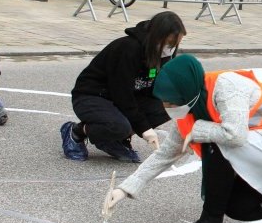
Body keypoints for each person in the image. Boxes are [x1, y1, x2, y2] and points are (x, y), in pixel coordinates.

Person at [100, 55, 262, 223]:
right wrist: (123, 189)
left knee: (214, 139)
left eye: (171, 102)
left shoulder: (226, 86)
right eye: (164, 103)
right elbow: (166, 153)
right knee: (237, 206)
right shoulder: (190, 104)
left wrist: (199, 130)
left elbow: (235, 135)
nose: (167, 108)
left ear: (185, 91)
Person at [60, 12, 185, 164]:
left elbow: (158, 88)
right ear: (157, 37)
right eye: (169, 44)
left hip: (126, 96)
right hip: (94, 96)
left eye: (174, 45)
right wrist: (144, 128)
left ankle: (114, 139)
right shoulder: (128, 49)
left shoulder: (162, 53)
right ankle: (76, 132)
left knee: (170, 105)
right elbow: (122, 95)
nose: (170, 49)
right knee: (119, 126)